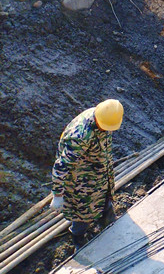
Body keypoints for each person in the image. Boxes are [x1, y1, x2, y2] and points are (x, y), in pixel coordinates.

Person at [50, 99, 123, 247]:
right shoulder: (80, 136)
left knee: (105, 196)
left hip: (99, 172)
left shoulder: (103, 115)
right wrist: (57, 194)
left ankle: (107, 219)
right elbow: (61, 166)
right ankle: (79, 239)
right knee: (82, 211)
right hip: (81, 180)